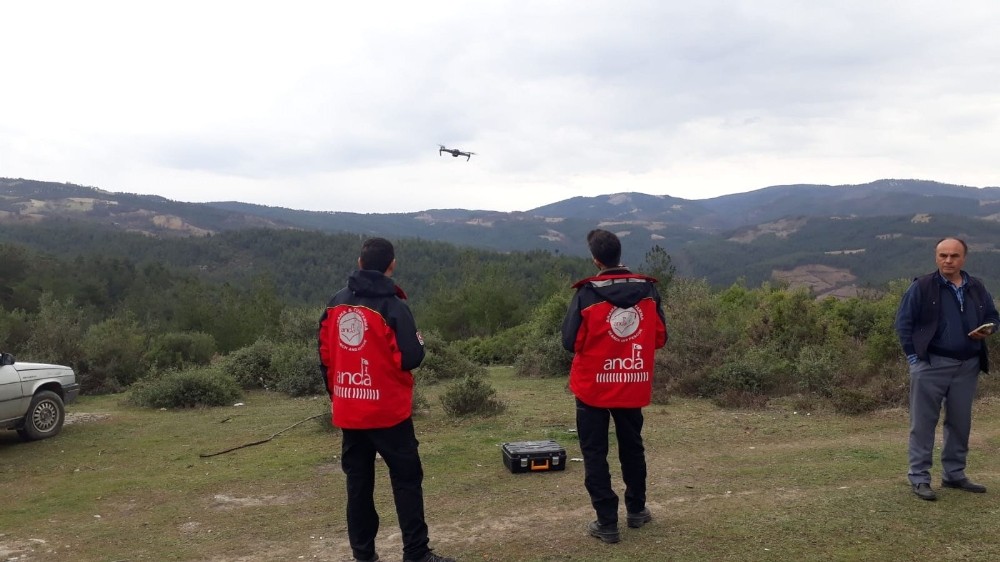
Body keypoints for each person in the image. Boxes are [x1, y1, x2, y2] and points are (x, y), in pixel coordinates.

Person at [317, 237, 455, 562]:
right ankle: (416, 553)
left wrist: (339, 394)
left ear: (360, 262)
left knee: (358, 486)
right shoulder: (394, 306)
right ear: (391, 265)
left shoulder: (335, 304)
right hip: (389, 413)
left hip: (351, 411)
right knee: (406, 481)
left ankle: (364, 556)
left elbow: (324, 355)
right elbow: (411, 357)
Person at [561, 229, 668, 543]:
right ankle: (636, 511)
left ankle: (606, 522)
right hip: (631, 382)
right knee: (632, 447)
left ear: (596, 259)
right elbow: (660, 337)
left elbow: (570, 342)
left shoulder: (586, 294)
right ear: (620, 255)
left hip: (593, 385)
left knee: (595, 452)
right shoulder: (648, 291)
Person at [895, 237, 999, 501]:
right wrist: (914, 360)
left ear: (964, 258)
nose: (948, 261)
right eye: (943, 256)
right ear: (936, 257)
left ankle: (954, 474)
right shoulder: (922, 287)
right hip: (931, 364)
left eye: (954, 256)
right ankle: (919, 478)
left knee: (960, 423)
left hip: (968, 365)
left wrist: (989, 328)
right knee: (923, 424)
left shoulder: (976, 286)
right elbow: (903, 324)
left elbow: (993, 316)